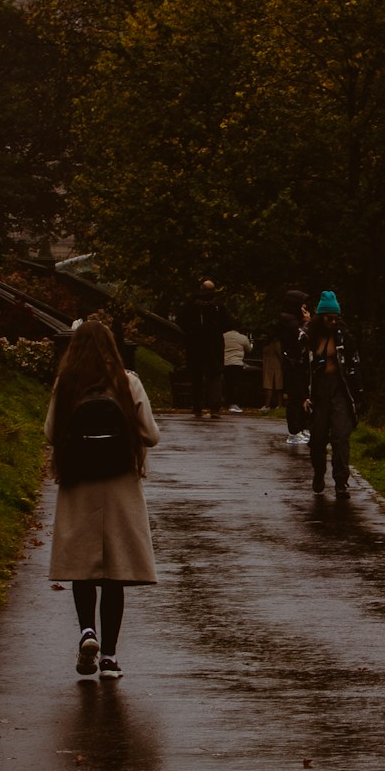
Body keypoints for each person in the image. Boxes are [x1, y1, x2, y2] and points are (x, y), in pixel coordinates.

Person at [47, 316, 160, 680]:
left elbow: (50, 433)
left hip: (79, 482)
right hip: (120, 483)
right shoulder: (127, 383)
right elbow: (151, 435)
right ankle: (110, 657)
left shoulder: (66, 384)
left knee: (83, 567)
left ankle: (86, 632)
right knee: (115, 572)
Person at [304, 290, 363, 497]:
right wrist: (304, 394)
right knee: (318, 438)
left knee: (340, 436)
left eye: (336, 317)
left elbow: (354, 366)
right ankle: (319, 472)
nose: (333, 321)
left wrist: (357, 397)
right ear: (321, 317)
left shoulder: (344, 337)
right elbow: (301, 368)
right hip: (318, 392)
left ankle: (340, 481)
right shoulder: (310, 337)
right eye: (329, 317)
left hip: (340, 389)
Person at [176, 277, 230, 419]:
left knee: (196, 377)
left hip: (195, 345)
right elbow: (227, 323)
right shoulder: (218, 306)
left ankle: (197, 407)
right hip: (214, 345)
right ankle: (214, 408)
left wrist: (190, 333)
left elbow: (180, 321)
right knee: (214, 377)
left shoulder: (192, 304)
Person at [278, 289, 311, 446]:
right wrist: (307, 322)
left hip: (296, 363)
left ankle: (301, 428)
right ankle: (295, 430)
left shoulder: (289, 319)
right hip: (294, 364)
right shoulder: (289, 321)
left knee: (301, 396)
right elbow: (302, 338)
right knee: (296, 397)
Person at [221, 323, 251, 412]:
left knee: (227, 383)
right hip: (237, 363)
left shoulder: (223, 336)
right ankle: (234, 403)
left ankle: (226, 402)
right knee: (236, 384)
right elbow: (248, 349)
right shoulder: (242, 338)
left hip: (226, 363)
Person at [260, 329, 284, 412]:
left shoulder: (270, 344)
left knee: (270, 386)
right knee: (276, 386)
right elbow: (279, 354)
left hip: (271, 365)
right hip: (275, 365)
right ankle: (276, 404)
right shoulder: (275, 343)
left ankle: (268, 405)